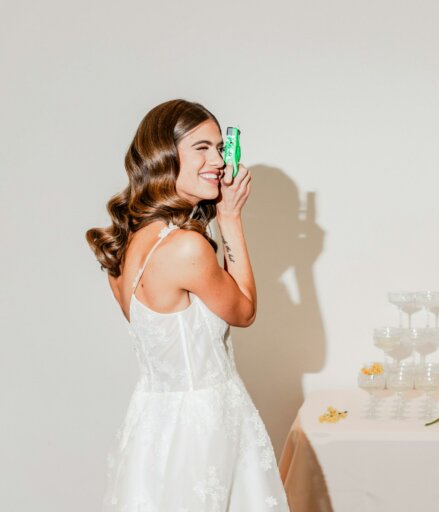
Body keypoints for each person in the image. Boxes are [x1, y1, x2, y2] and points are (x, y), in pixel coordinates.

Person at [86, 99, 289, 511]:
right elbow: (245, 310)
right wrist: (229, 218)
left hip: (154, 426)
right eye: (202, 147)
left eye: (219, 147)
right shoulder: (185, 248)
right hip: (205, 425)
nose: (217, 160)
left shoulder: (125, 247)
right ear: (164, 156)